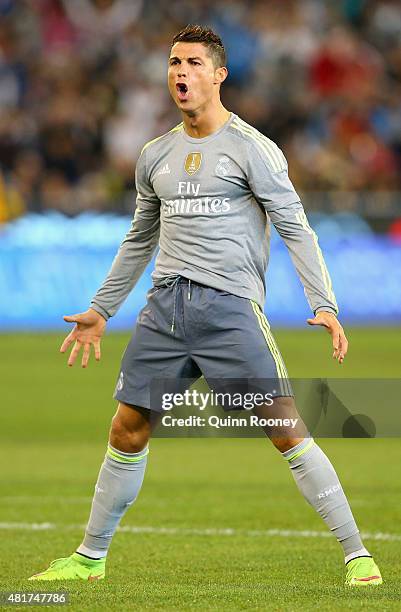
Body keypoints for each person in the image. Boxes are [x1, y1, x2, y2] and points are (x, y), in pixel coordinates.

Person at [28, 24, 382, 586]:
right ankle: (90, 558)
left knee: (285, 429)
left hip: (229, 309)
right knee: (126, 429)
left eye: (193, 63)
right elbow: (140, 238)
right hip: (164, 310)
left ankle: (356, 552)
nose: (180, 73)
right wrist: (102, 308)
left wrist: (325, 303)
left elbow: (296, 227)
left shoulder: (253, 149)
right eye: (173, 62)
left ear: (219, 74)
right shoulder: (155, 155)